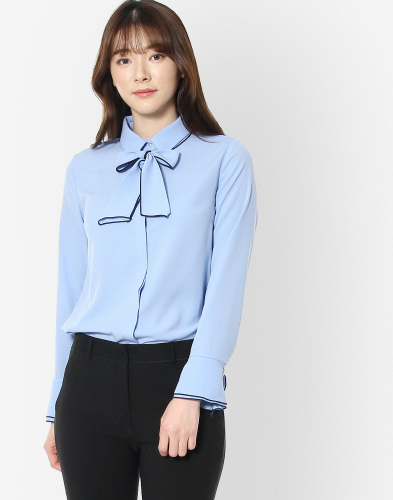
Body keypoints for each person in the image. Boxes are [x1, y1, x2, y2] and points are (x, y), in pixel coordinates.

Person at [43, 1, 258, 498]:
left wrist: (194, 388)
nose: (140, 73)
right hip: (88, 385)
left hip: (178, 377)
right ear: (110, 75)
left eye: (155, 55)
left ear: (181, 63)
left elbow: (225, 284)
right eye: (124, 59)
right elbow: (71, 291)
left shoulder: (225, 160)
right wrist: (56, 405)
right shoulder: (84, 169)